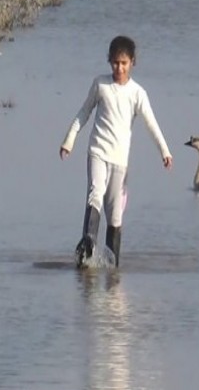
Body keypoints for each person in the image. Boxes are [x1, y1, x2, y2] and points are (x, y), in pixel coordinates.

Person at [59, 35, 173, 268]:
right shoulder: (100, 85)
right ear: (109, 62)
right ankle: (87, 248)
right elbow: (84, 112)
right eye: (114, 63)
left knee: (115, 215)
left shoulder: (137, 93)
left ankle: (113, 268)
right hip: (98, 152)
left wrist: (165, 151)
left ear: (132, 62)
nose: (119, 68)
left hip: (120, 161)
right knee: (95, 193)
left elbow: (151, 123)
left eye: (123, 63)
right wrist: (69, 140)